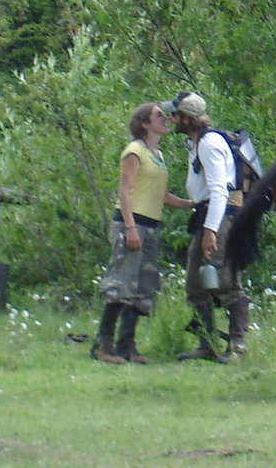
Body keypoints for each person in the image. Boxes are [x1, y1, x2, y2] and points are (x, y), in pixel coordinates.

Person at [93, 102, 189, 364]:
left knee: (142, 287)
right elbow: (125, 191)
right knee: (120, 284)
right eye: (159, 116)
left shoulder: (157, 154)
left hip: (151, 225)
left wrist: (193, 205)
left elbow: (162, 195)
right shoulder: (135, 151)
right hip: (132, 223)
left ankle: (127, 346)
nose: (166, 119)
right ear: (145, 123)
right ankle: (102, 345)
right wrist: (130, 227)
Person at [164, 91, 251, 364]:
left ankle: (236, 347)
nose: (171, 118)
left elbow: (219, 190)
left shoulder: (209, 144)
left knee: (224, 281)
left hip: (220, 217)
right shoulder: (197, 143)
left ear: (187, 119)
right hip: (209, 215)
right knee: (196, 281)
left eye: (175, 114)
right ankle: (207, 342)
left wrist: (211, 231)